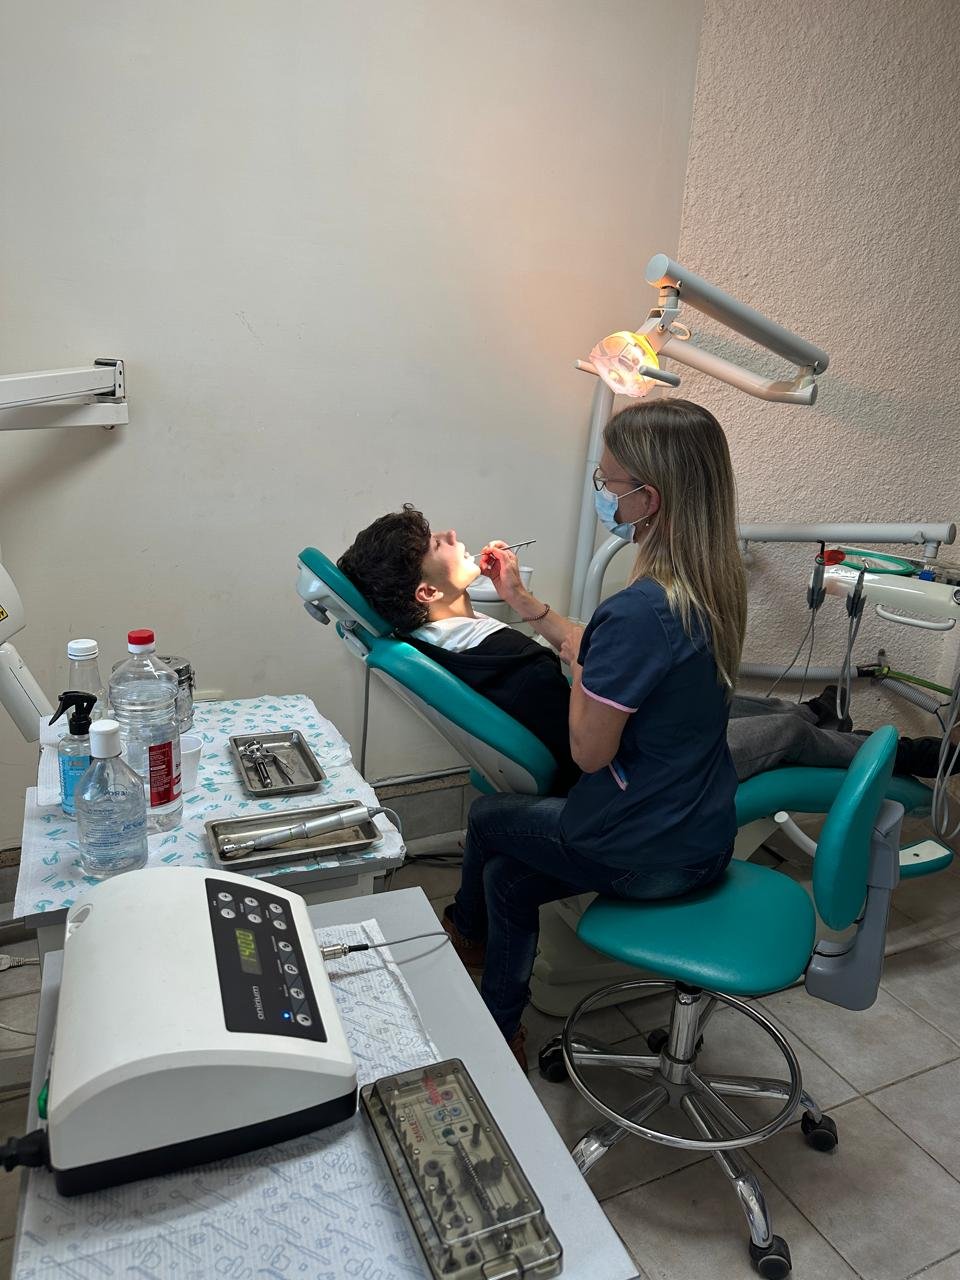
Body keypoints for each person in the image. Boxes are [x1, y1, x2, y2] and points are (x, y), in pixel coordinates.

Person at [435, 397, 750, 1068]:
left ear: (648, 499)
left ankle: (464, 937)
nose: (604, 495)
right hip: (704, 834)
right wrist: (526, 606)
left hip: (647, 852)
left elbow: (589, 750)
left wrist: (581, 671)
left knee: (491, 821)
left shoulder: (637, 612)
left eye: (609, 485)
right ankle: (500, 1029)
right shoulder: (708, 585)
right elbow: (611, 653)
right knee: (511, 883)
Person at [337, 508, 946, 790]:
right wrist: (584, 664)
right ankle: (922, 756)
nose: (449, 534)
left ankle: (814, 718)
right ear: (425, 589)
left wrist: (522, 600)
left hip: (633, 727)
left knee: (739, 700)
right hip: (635, 767)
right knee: (786, 736)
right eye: (435, 543)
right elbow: (584, 728)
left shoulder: (459, 637)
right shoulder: (492, 659)